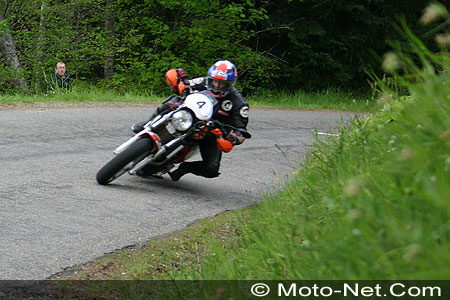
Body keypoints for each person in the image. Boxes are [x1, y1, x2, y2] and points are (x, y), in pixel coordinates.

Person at [133, 60, 250, 181]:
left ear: (230, 84)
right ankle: (148, 123)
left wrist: (233, 137)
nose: (217, 86)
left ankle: (186, 167)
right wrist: (178, 80)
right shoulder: (203, 82)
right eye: (215, 81)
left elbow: (241, 130)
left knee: (211, 169)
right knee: (174, 101)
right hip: (187, 116)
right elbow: (184, 86)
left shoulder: (238, 103)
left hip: (210, 131)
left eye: (222, 83)